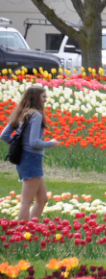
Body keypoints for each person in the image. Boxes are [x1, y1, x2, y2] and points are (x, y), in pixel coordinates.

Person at [1, 87, 60, 221]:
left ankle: (32, 228)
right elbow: (34, 142)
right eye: (43, 97)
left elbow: (4, 135)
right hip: (31, 159)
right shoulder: (37, 115)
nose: (46, 99)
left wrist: (19, 147)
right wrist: (51, 143)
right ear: (36, 98)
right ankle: (22, 233)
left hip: (26, 159)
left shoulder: (21, 113)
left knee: (42, 199)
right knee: (26, 202)